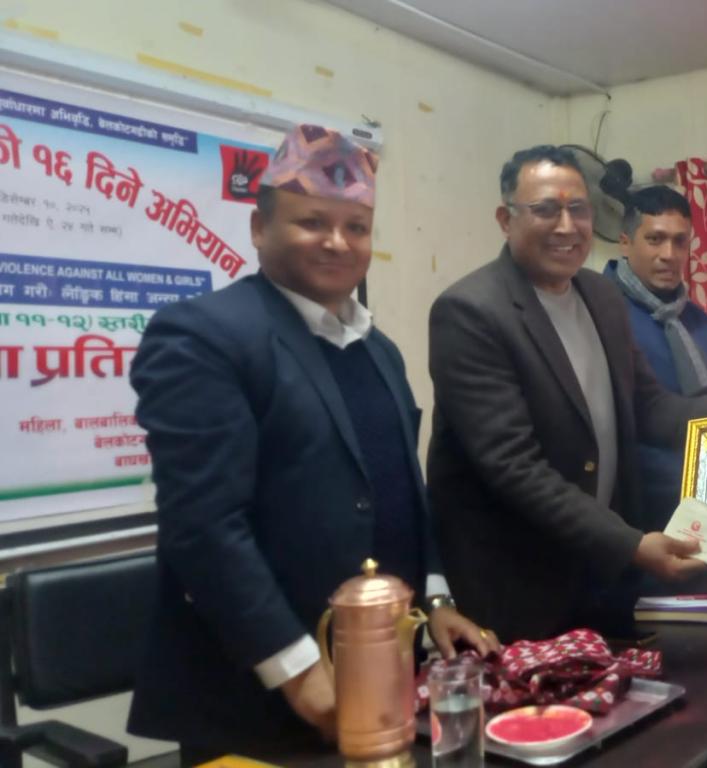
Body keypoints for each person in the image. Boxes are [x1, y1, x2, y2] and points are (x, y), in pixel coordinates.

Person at [127, 124, 498, 762]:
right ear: (258, 228)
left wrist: (436, 599)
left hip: (382, 678)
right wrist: (299, 672)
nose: (338, 242)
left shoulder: (378, 349)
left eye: (357, 227)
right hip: (257, 697)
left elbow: (401, 488)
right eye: (312, 222)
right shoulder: (202, 336)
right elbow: (203, 527)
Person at [426, 146, 707, 642]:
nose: (566, 226)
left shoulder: (600, 297)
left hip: (598, 576)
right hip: (516, 582)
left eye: (578, 209)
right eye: (545, 209)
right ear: (505, 219)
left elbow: (647, 405)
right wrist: (630, 544)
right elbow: (514, 467)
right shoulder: (470, 312)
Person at [604, 185, 707, 557]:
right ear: (624, 243)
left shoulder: (703, 327)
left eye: (680, 241)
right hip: (627, 526)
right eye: (655, 239)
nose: (669, 254)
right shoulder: (597, 313)